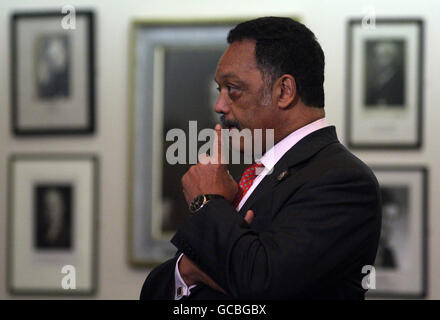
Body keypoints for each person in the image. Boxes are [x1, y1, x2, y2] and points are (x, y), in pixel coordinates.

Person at [140, 16, 382, 300]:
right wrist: (188, 269)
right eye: (220, 90)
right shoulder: (258, 175)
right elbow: (156, 289)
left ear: (284, 91)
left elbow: (262, 288)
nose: (219, 106)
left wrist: (207, 203)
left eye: (233, 89)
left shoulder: (342, 180)